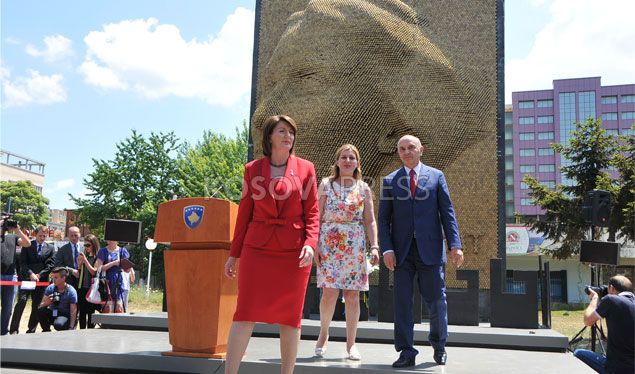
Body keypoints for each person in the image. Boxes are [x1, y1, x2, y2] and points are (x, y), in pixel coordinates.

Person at [223, 114, 319, 374]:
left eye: (291, 132)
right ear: (269, 137)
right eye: (282, 131)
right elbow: (244, 214)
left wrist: (310, 243)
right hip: (257, 250)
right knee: (245, 312)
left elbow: (312, 212)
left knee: (290, 318)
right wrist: (234, 254)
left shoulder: (306, 168)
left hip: (294, 253)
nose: (288, 136)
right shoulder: (252, 169)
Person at [378, 135, 464, 368]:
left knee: (437, 302)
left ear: (421, 150)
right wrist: (386, 249)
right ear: (398, 153)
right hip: (401, 253)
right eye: (402, 149)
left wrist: (455, 244)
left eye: (411, 148)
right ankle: (406, 351)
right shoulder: (389, 181)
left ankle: (439, 345)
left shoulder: (436, 177)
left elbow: (447, 213)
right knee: (403, 304)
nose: (407, 152)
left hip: (431, 251)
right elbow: (383, 220)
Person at [314, 144, 379, 360]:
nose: (348, 160)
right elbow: (316, 215)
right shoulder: (326, 184)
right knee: (329, 293)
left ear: (357, 163)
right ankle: (323, 334)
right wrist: (314, 244)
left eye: (352, 157)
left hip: (354, 247)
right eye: (344, 157)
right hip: (329, 245)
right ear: (337, 161)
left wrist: (375, 246)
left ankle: (351, 344)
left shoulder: (364, 188)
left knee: (352, 296)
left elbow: (369, 220)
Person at [574, 275, 634, 374]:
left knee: (578, 353)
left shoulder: (611, 300)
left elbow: (588, 321)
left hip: (616, 368)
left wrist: (595, 298)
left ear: (611, 288)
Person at [9, 225, 55, 334]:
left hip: (41, 281)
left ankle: (31, 329)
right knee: (21, 302)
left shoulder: (51, 248)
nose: (42, 238)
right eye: (40, 235)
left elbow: (50, 265)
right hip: (26, 279)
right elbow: (22, 263)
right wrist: (30, 274)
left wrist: (39, 275)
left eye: (44, 236)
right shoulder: (28, 245)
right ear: (35, 234)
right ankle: (14, 329)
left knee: (36, 305)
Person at [1, 218, 30, 335]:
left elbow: (27, 243)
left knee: (8, 308)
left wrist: (17, 230)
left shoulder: (13, 237)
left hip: (11, 276)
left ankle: (3, 331)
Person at [94, 240, 131, 313]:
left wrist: (127, 266)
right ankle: (106, 324)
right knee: (107, 309)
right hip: (106, 282)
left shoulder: (122, 251)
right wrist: (114, 263)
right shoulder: (103, 251)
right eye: (109, 239)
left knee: (119, 308)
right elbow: (99, 268)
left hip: (118, 282)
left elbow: (127, 270)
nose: (110, 241)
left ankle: (117, 324)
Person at [37, 267, 78, 331]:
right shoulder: (50, 288)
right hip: (53, 313)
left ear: (63, 278)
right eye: (53, 277)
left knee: (58, 325)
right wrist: (46, 303)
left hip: (64, 315)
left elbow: (73, 311)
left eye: (56, 277)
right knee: (40, 310)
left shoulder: (71, 291)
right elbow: (40, 306)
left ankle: (66, 328)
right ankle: (46, 330)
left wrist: (71, 327)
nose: (53, 279)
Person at [76, 234, 100, 328]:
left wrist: (85, 260)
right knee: (82, 312)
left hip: (92, 289)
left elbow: (94, 271)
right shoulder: (84, 256)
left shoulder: (97, 257)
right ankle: (82, 332)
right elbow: (79, 272)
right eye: (84, 245)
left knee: (90, 313)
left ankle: (90, 331)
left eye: (88, 245)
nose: (86, 248)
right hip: (82, 287)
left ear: (94, 245)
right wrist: (79, 263)